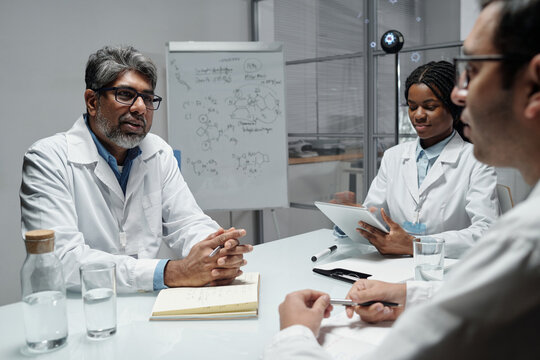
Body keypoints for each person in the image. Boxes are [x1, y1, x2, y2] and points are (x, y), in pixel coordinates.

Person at [264, 0, 540, 358]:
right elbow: (376, 214)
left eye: (472, 69)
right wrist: (404, 292)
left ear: (533, 85)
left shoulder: (524, 242)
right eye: (412, 106)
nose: (459, 94)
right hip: (393, 274)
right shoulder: (397, 156)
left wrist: (295, 332)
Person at [20, 45, 253, 293]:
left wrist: (218, 251)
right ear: (92, 101)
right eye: (125, 94)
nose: (140, 108)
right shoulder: (47, 159)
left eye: (148, 98)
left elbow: (187, 222)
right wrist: (172, 272)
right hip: (80, 312)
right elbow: (60, 260)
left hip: (147, 306)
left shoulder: (158, 152)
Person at [334, 60, 499, 258]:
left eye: (430, 106)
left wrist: (415, 244)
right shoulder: (393, 156)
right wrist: (349, 218)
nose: (418, 116)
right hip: (392, 264)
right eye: (412, 107)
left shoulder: (476, 160)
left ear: (455, 110)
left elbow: (486, 232)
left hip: (446, 267)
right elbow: (375, 215)